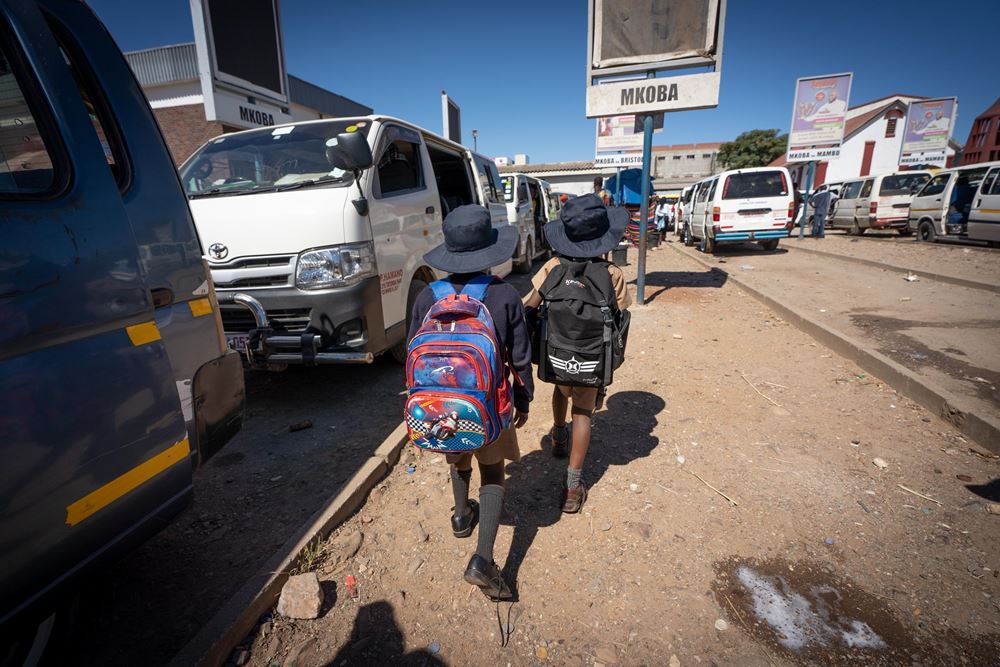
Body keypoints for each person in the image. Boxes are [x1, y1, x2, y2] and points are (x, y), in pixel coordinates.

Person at [407, 205, 533, 600]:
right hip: (489, 405)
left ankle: (462, 517)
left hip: (440, 406)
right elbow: (521, 356)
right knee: (492, 469)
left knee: (457, 454)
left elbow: (411, 349)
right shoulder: (504, 294)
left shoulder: (428, 295)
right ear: (487, 249)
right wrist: (522, 399)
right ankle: (483, 559)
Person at [523, 195, 631, 513]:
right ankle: (572, 488)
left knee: (560, 388)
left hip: (555, 354)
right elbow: (621, 317)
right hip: (591, 358)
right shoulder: (613, 274)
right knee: (582, 412)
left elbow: (529, 305)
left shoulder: (553, 267)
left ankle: (558, 436)